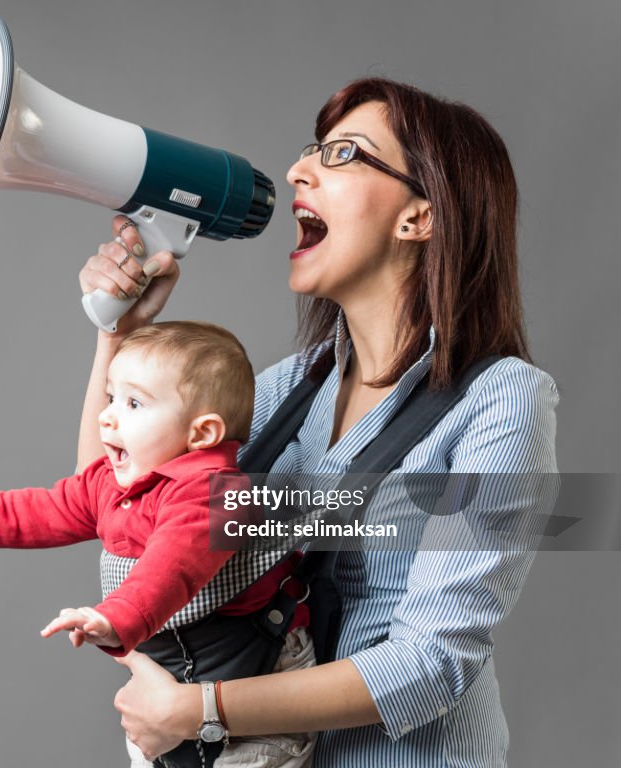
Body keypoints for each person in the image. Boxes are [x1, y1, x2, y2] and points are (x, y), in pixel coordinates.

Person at [76, 78, 558, 767]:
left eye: (344, 156)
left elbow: (432, 660)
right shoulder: (292, 387)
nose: (299, 172)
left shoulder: (502, 401)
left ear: (418, 217)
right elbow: (117, 507)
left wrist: (197, 710)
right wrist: (116, 340)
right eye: (311, 151)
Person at [0, 320, 317, 768]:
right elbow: (44, 509)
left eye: (133, 403)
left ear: (202, 434)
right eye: (111, 398)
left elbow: (172, 568)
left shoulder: (214, 493)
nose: (106, 416)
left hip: (254, 675)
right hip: (177, 678)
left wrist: (113, 617)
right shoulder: (114, 483)